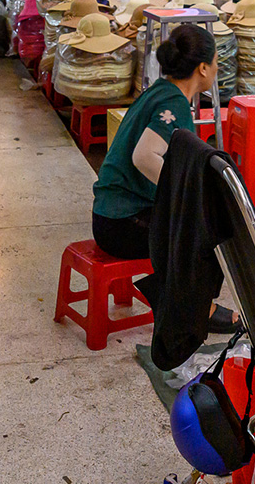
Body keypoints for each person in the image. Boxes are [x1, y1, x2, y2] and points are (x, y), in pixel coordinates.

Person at [91, 24, 239, 331]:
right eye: (214, 62)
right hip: (122, 224)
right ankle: (197, 309)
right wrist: (185, 194)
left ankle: (176, 297)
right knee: (207, 233)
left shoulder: (160, 90)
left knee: (199, 220)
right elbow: (143, 157)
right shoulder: (173, 104)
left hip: (112, 214)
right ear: (202, 67)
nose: (216, 68)